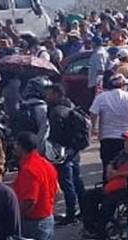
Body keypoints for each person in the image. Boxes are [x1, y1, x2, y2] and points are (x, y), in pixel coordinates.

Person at [12, 132, 58, 240]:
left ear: (21, 147)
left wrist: (16, 216)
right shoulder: (45, 163)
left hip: (34, 221)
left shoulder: (29, 169)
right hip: (47, 217)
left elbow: (29, 200)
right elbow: (57, 191)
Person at [88, 74, 128, 179]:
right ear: (122, 85)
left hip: (107, 138)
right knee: (127, 168)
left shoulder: (101, 97)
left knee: (108, 167)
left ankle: (107, 191)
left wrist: (94, 128)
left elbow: (93, 113)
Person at [44, 84, 86, 226]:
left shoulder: (55, 112)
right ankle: (84, 209)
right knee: (77, 181)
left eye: (49, 94)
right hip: (74, 150)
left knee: (67, 184)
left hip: (62, 152)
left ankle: (70, 214)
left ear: (56, 94)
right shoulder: (71, 106)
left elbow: (55, 135)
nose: (47, 97)